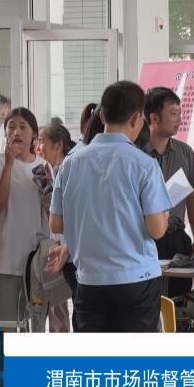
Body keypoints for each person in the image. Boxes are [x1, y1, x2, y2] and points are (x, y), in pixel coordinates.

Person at [50, 81, 172, 333]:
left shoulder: (70, 163)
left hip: (90, 280)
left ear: (102, 116)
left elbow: (56, 223)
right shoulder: (144, 164)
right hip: (136, 279)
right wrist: (163, 216)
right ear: (137, 118)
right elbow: (157, 229)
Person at [0, 107, 49, 331]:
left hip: (36, 263)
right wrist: (9, 164)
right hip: (4, 261)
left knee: (34, 327)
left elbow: (51, 212)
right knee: (5, 328)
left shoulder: (43, 166)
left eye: (23, 127)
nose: (17, 132)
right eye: (11, 127)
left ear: (34, 134)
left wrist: (49, 191)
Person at [142, 87, 194, 298]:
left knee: (179, 299)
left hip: (177, 237)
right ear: (154, 118)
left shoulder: (184, 152)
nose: (179, 119)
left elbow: (192, 198)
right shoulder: (135, 153)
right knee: (147, 298)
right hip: (144, 238)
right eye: (173, 113)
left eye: (180, 113)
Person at [38, 123, 77, 331]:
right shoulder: (52, 170)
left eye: (41, 141)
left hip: (69, 252)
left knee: (67, 308)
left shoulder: (68, 169)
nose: (38, 147)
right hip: (62, 249)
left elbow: (61, 218)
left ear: (59, 145)